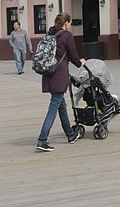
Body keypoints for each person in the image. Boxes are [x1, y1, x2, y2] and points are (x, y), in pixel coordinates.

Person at [36, 12, 85, 152]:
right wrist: (80, 62)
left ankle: (70, 135)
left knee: (61, 105)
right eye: (69, 23)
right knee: (53, 107)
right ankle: (42, 140)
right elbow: (73, 54)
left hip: (48, 72)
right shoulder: (67, 35)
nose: (70, 25)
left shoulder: (49, 34)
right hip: (59, 73)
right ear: (66, 23)